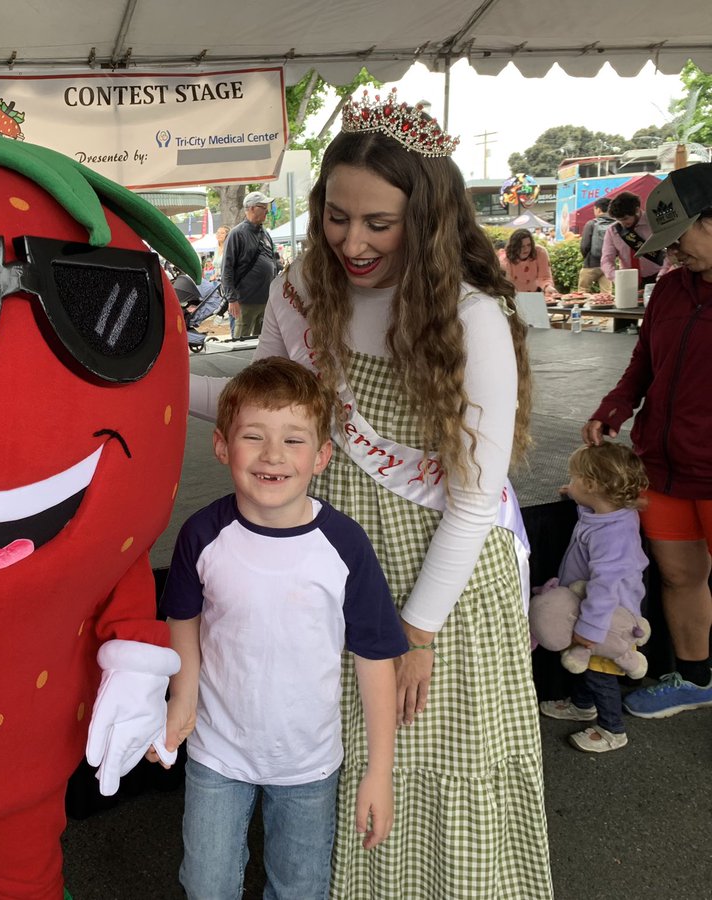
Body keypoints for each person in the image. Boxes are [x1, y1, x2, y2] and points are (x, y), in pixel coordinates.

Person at [188, 89, 552, 898]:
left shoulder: (469, 316)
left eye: (378, 224)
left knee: (437, 773)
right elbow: (264, 402)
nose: (351, 241)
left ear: (424, 217)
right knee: (350, 772)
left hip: (438, 588)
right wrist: (153, 384)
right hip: (335, 563)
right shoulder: (298, 289)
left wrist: (414, 634)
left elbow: (470, 500)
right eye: (336, 216)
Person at [158, 356, 405, 900]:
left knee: (299, 888)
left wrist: (379, 772)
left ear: (321, 457)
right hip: (217, 751)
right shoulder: (201, 536)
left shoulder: (345, 547)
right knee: (206, 884)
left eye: (294, 441)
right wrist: (183, 699)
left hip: (308, 762)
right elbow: (184, 617)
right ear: (222, 446)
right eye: (254, 436)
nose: (273, 455)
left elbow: (374, 659)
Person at [583, 162, 712, 719]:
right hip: (659, 466)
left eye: (679, 237)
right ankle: (694, 677)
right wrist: (615, 406)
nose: (672, 253)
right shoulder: (669, 290)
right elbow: (644, 364)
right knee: (681, 575)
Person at [537, 443, 649, 753]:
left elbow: (605, 587)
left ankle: (612, 728)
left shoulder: (612, 535)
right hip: (591, 610)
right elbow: (594, 512)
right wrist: (575, 495)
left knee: (601, 672)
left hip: (609, 619)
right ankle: (583, 705)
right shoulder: (609, 512)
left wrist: (590, 630)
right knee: (588, 667)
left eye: (573, 478)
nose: (569, 481)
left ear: (592, 486)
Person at [220, 191, 276, 340]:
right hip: (244, 301)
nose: (267, 210)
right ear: (251, 208)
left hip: (265, 300)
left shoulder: (265, 234)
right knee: (240, 341)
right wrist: (232, 299)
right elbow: (227, 268)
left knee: (263, 343)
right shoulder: (237, 234)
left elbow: (273, 261)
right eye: (263, 207)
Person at [601, 191, 669, 286]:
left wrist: (662, 275)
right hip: (627, 280)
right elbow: (606, 260)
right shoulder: (613, 231)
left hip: (658, 277)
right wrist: (616, 278)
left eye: (625, 219)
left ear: (637, 210)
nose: (622, 223)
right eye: (618, 220)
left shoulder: (655, 224)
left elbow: (670, 254)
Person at [501, 228, 558, 296]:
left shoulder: (540, 252)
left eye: (529, 245)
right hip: (516, 296)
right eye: (522, 246)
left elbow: (544, 277)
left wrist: (547, 287)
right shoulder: (505, 258)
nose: (526, 249)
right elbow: (506, 283)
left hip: (537, 294)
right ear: (514, 247)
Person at [577, 197, 614, 293]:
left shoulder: (591, 224)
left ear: (598, 209)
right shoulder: (615, 225)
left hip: (591, 264)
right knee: (607, 295)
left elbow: (584, 246)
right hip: (608, 265)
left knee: (583, 292)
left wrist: (587, 257)